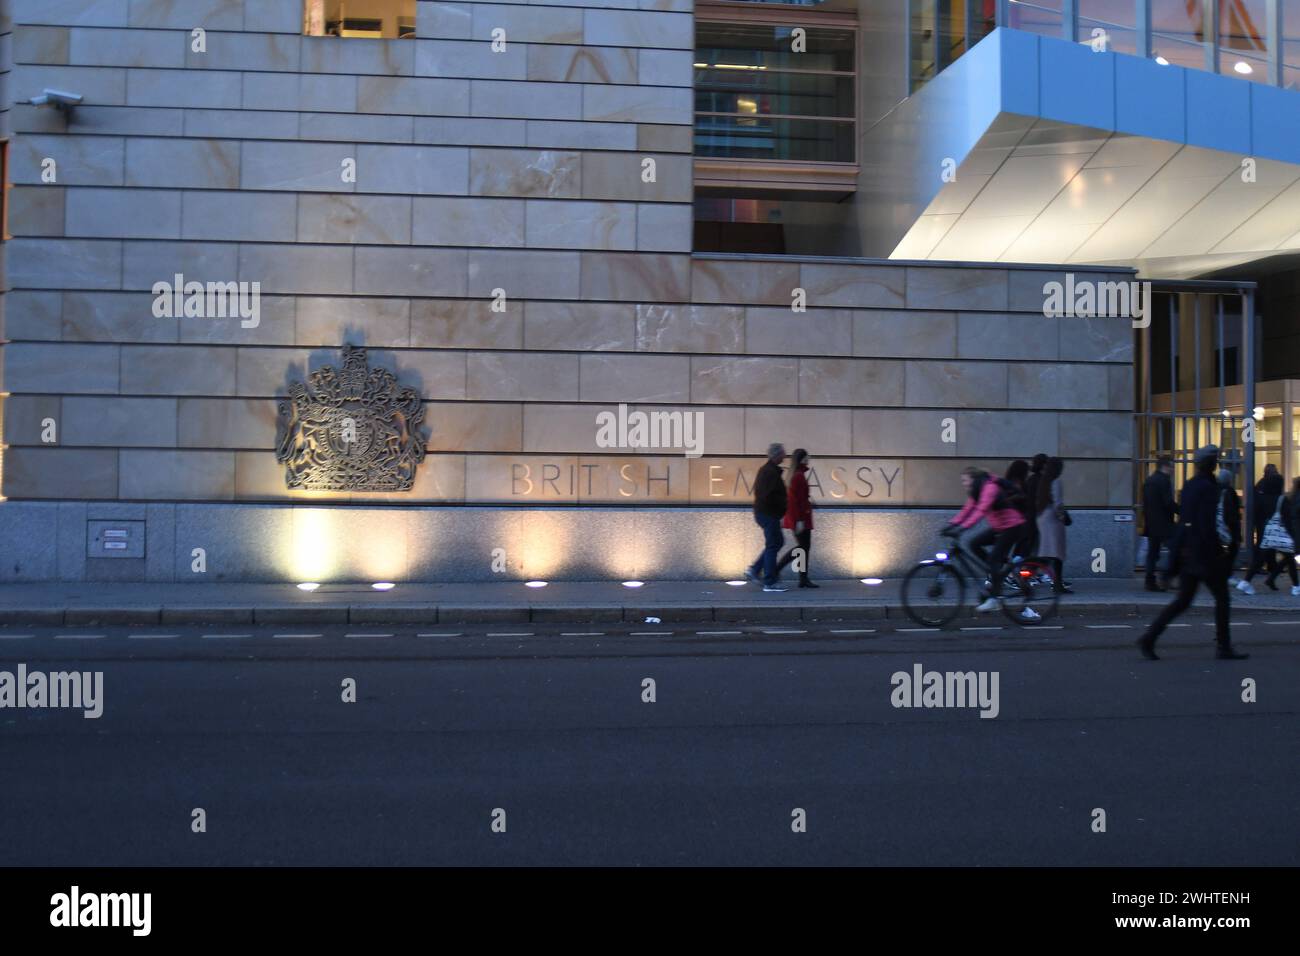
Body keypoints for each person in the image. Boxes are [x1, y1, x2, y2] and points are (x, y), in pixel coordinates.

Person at [1137, 445, 1247, 660]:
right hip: (1206, 555)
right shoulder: (1208, 487)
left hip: (1190, 553)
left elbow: (1185, 521)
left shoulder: (1190, 485)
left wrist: (1177, 556)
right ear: (1211, 464)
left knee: (1182, 601)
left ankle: (1149, 638)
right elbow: (1206, 523)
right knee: (1222, 599)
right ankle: (1223, 646)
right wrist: (1220, 552)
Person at [943, 466, 1037, 621]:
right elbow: (968, 509)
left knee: (993, 559)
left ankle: (994, 598)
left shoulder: (989, 488)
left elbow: (981, 510)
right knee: (974, 544)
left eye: (965, 480)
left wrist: (962, 528)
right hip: (1000, 526)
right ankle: (996, 570)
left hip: (1013, 526)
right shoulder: (977, 490)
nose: (964, 483)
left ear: (973, 478)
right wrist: (952, 524)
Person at [746, 443, 788, 592]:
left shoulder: (769, 471)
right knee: (773, 545)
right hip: (768, 514)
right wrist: (782, 506)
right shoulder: (769, 472)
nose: (785, 455)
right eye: (783, 453)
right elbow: (768, 496)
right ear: (777, 455)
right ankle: (769, 581)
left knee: (777, 542)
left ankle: (755, 569)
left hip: (767, 513)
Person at [1238, 463, 1284, 594]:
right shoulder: (1274, 485)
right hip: (1268, 520)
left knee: (1265, 546)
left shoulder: (1261, 485)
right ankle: (1264, 571)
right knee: (1267, 548)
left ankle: (1267, 570)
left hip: (1262, 519)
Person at [775, 448, 817, 588]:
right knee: (802, 547)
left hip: (801, 517)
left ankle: (803, 579)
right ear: (802, 458)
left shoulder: (798, 474)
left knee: (803, 548)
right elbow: (793, 500)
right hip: (801, 518)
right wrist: (799, 520)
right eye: (806, 456)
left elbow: (799, 498)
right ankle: (777, 569)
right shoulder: (798, 476)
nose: (808, 458)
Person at [1035, 457, 1071, 594]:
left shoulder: (1044, 480)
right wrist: (1064, 518)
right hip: (1053, 521)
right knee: (1056, 554)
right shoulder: (1056, 481)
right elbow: (1058, 504)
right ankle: (1057, 585)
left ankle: (1055, 583)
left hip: (1043, 517)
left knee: (1049, 553)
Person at [1141, 456, 1178, 591]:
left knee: (1153, 553)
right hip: (1164, 524)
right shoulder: (1164, 481)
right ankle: (1166, 577)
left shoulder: (1149, 481)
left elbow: (1145, 504)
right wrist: (1181, 511)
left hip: (1151, 523)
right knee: (1177, 548)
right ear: (1165, 466)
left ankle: (1149, 581)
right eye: (1172, 467)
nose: (1173, 470)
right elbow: (1168, 503)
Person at [1262, 476, 1300, 595]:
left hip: (1291, 528)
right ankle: (1295, 586)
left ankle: (1272, 579)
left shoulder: (1289, 496)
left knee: (1289, 557)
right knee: (1291, 556)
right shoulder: (1297, 497)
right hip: (1296, 529)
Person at [1216, 468, 1243, 582]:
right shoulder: (1229, 491)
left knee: (1219, 550)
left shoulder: (1214, 489)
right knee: (1232, 549)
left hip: (1217, 524)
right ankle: (1227, 573)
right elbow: (1232, 512)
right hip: (1228, 525)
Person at [1004, 459, 1032, 558]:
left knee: (1021, 548)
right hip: (1012, 520)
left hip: (1021, 519)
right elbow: (1003, 500)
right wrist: (1015, 497)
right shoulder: (1007, 484)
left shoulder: (1025, 484)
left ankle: (1015, 565)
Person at [1023, 453, 1048, 556]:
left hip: (1029, 515)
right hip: (1040, 516)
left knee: (1029, 544)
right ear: (1044, 465)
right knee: (1040, 546)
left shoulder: (1030, 479)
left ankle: (1020, 565)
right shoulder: (1045, 480)